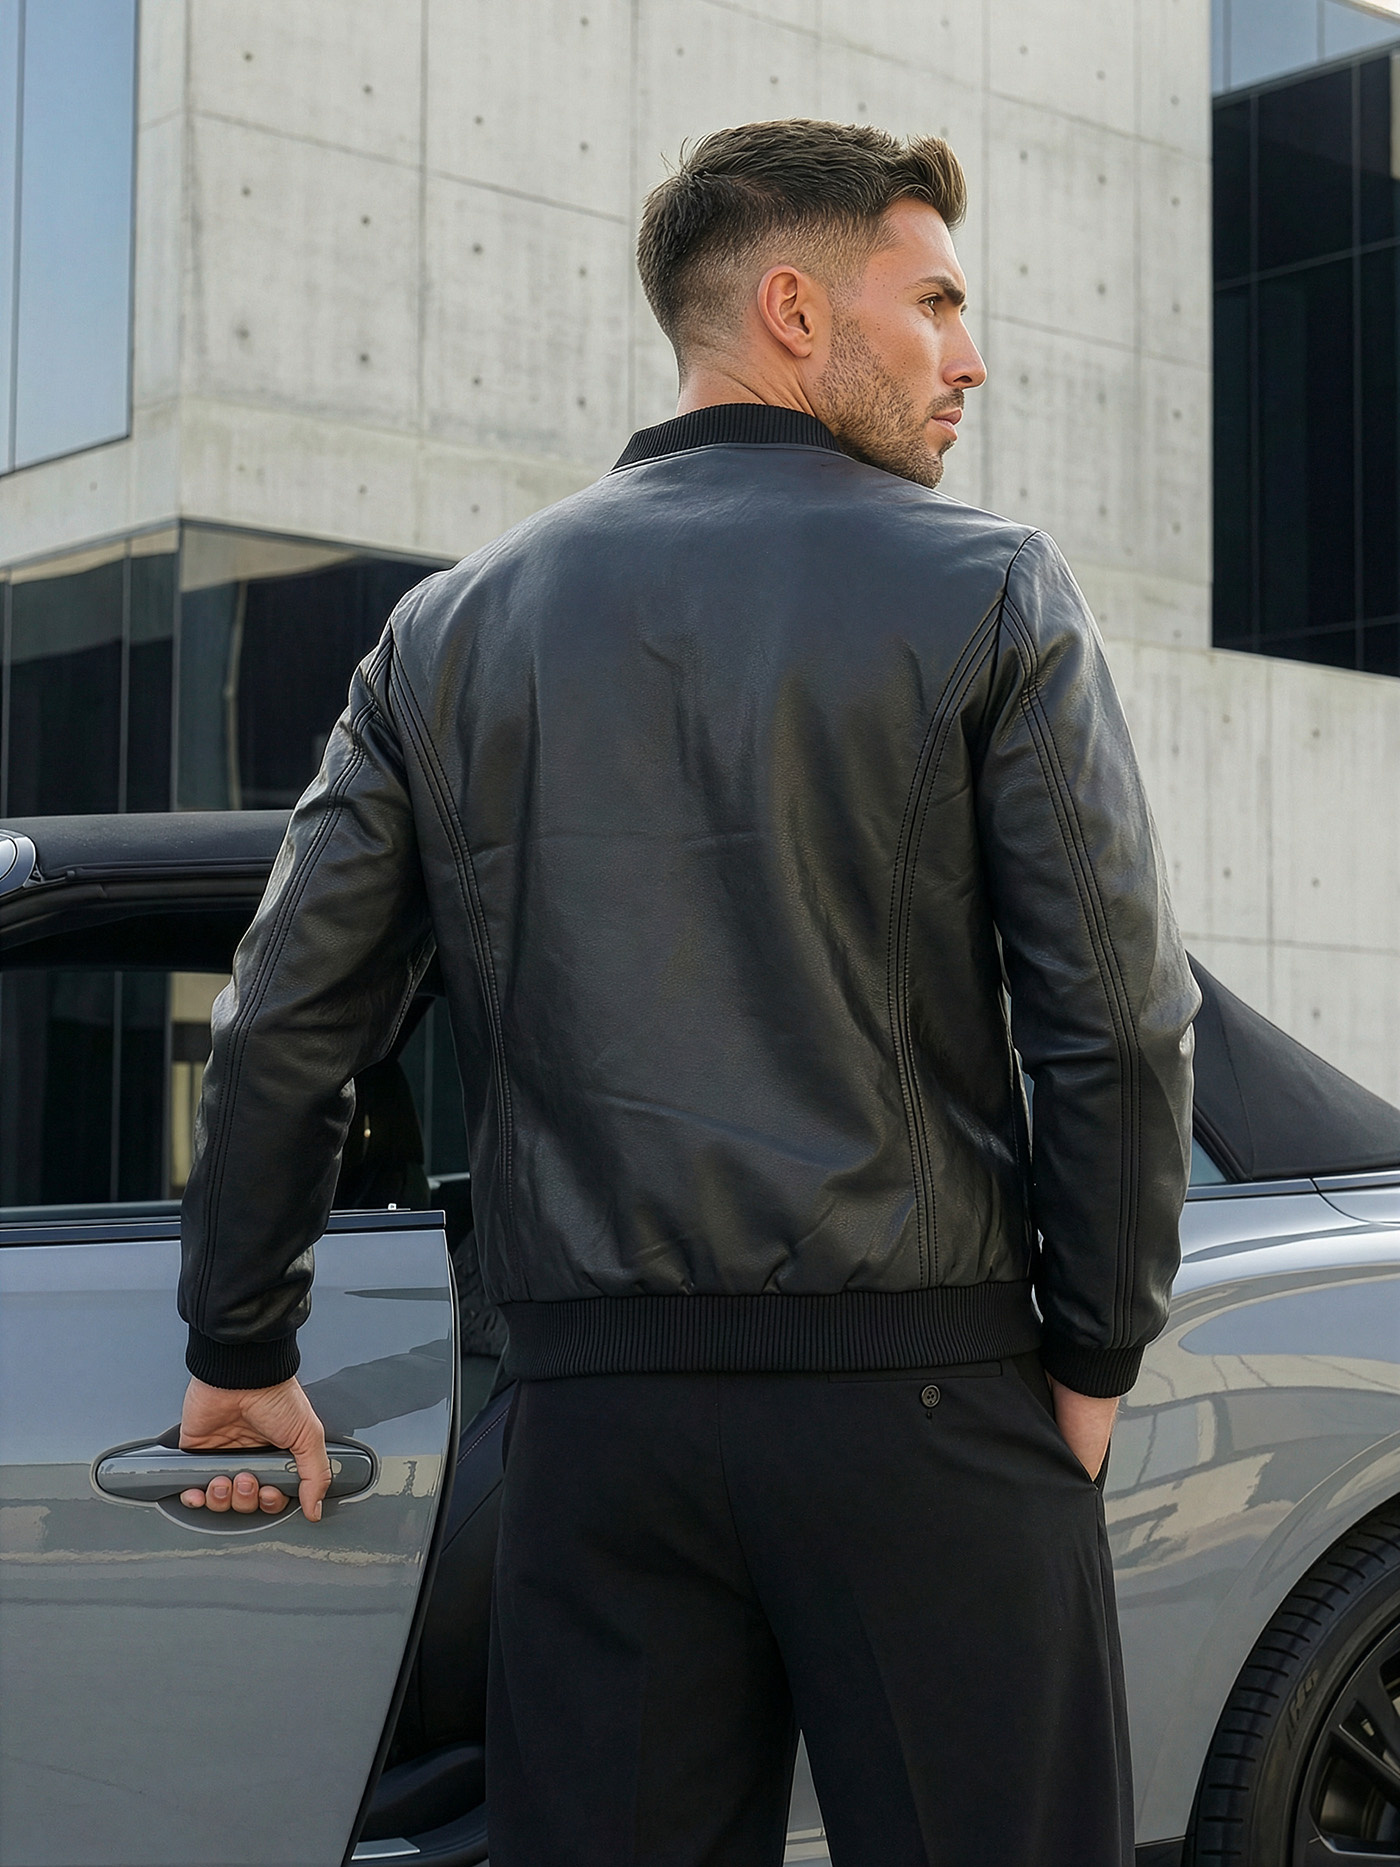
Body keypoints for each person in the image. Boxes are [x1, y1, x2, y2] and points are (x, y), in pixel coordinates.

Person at [176, 119, 1198, 1867]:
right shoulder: (992, 587)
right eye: (935, 302)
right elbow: (1114, 1016)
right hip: (926, 1406)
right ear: (795, 310)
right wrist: (1093, 1350)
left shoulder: (444, 631)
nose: (970, 356)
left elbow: (285, 1019)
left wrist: (239, 1343)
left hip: (594, 1435)